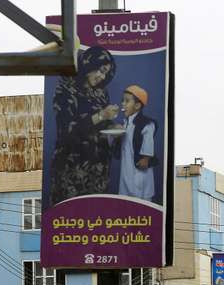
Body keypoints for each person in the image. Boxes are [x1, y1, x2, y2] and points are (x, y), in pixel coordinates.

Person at [49, 46, 120, 207]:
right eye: (100, 70)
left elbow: (102, 125)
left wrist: (114, 125)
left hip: (99, 171)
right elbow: (67, 131)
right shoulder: (66, 88)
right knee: (71, 219)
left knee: (97, 222)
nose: (102, 77)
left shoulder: (101, 93)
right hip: (72, 170)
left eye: (105, 73)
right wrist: (101, 115)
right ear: (90, 63)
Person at [115, 85, 158, 203]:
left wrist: (146, 157)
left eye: (127, 101)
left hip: (139, 171)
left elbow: (148, 140)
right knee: (125, 199)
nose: (123, 104)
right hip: (126, 171)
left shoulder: (146, 124)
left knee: (141, 199)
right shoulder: (125, 124)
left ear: (137, 105)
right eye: (122, 100)